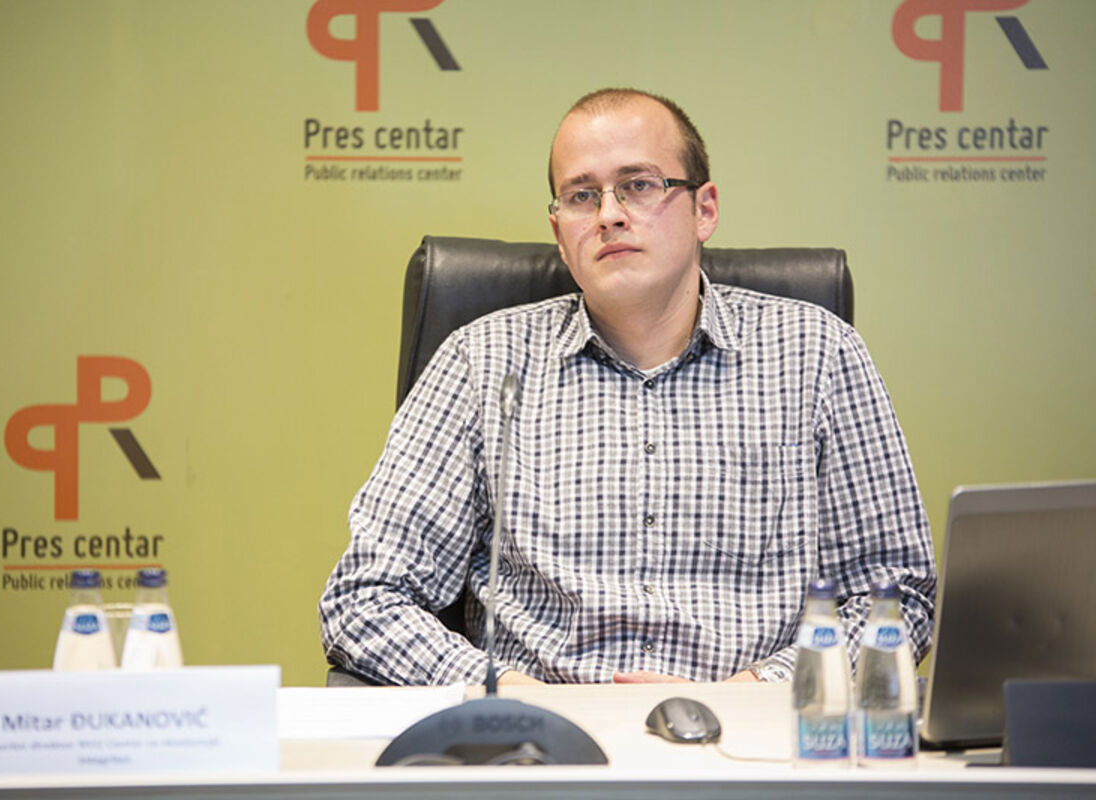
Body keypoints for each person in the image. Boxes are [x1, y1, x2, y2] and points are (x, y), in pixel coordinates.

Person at [319, 88, 937, 686]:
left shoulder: (817, 354)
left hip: (756, 733)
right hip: (541, 736)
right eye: (581, 196)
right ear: (560, 234)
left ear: (704, 210)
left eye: (639, 185)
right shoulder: (481, 363)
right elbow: (365, 597)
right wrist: (505, 691)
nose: (609, 214)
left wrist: (760, 690)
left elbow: (897, 595)